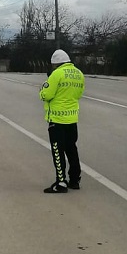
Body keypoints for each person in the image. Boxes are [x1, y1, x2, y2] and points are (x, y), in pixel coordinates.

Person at [39, 49, 85, 194]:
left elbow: (46, 95)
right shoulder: (79, 74)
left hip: (57, 120)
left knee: (58, 152)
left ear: (56, 64)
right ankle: (75, 179)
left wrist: (43, 88)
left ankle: (61, 182)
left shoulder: (56, 74)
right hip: (72, 119)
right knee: (72, 149)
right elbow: (79, 94)